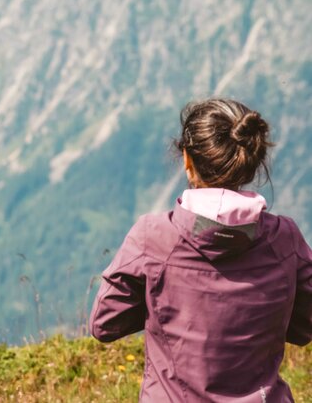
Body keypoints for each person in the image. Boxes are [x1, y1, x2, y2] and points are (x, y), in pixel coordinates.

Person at [90, 98, 312, 402]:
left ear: (187, 159)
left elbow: (104, 324)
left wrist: (163, 304)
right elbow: (304, 329)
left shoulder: (153, 238)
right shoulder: (286, 240)